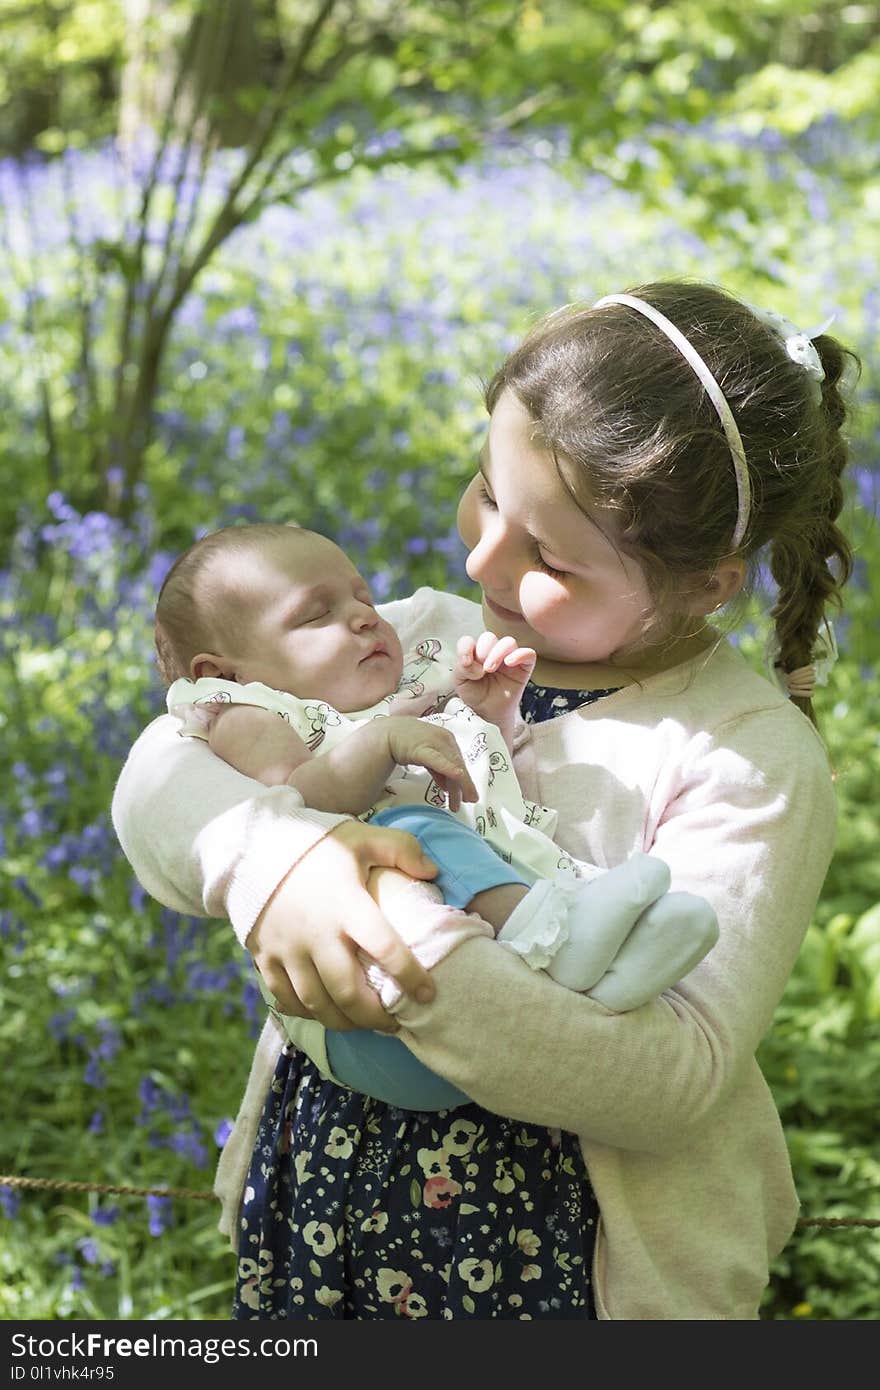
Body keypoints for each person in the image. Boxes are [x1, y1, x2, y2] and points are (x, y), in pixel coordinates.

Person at [112, 281, 856, 1319]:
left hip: (566, 1260)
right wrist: (274, 866)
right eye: (486, 492)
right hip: (330, 1190)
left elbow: (674, 1075)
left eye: (547, 557)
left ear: (706, 585)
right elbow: (172, 750)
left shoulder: (743, 754)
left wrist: (397, 947)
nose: (478, 559)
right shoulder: (414, 634)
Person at [153, 522, 718, 1109]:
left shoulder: (391, 698)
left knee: (489, 847)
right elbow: (297, 803)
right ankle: (560, 938)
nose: (366, 616)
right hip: (374, 1024)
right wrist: (382, 742)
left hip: (468, 1001)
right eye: (316, 615)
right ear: (224, 674)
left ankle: (607, 972)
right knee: (414, 834)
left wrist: (486, 717)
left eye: (364, 597)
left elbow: (471, 787)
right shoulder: (250, 713)